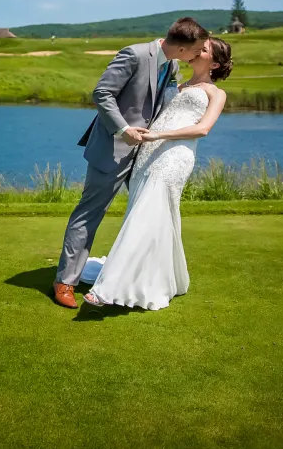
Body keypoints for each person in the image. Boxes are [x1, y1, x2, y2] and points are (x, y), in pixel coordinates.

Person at [52, 17, 209, 309]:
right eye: (198, 49)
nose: (199, 54)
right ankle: (65, 282)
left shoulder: (172, 65)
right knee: (90, 212)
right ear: (184, 48)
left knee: (145, 215)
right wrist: (124, 129)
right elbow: (102, 93)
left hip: (146, 154)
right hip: (113, 148)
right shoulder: (134, 54)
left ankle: (139, 281)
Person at [83, 37, 232, 310]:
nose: (198, 49)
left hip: (174, 157)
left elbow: (202, 129)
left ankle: (107, 290)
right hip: (148, 154)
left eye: (205, 48)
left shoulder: (215, 93)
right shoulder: (177, 82)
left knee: (148, 212)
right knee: (144, 212)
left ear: (215, 62)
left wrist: (159, 135)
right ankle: (151, 277)